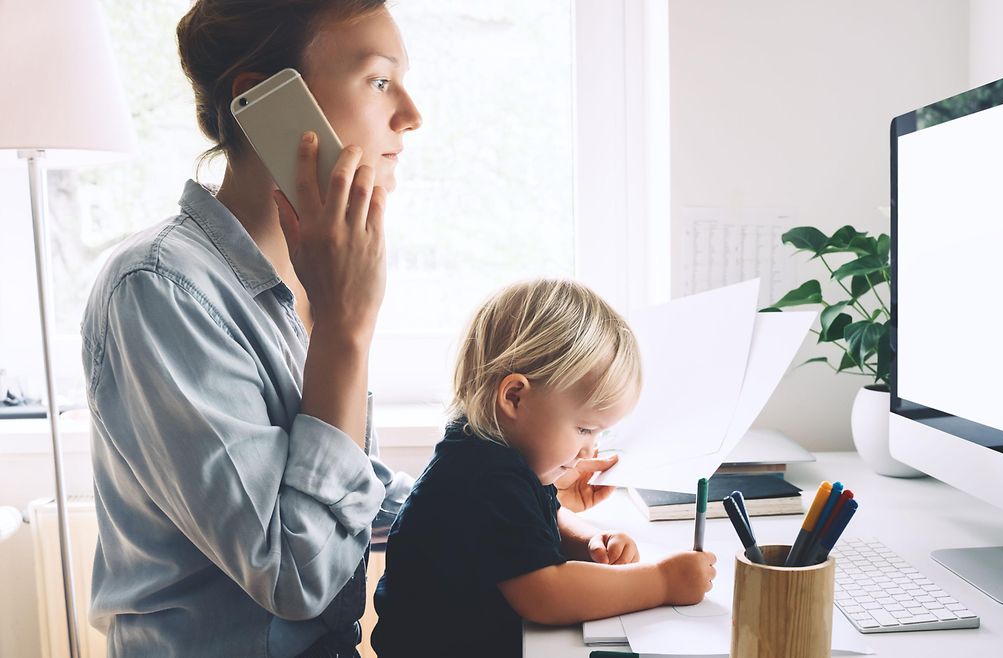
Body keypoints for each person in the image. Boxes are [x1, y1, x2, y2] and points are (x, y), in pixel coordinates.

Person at [82, 3, 619, 656]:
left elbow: (346, 492)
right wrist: (344, 328)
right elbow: (295, 575)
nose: (412, 115)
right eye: (378, 80)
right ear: (262, 100)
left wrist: (512, 504)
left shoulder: (311, 274)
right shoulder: (160, 289)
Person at [371, 279, 717, 657]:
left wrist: (588, 541)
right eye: (584, 428)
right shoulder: (483, 477)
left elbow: (546, 515)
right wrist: (663, 581)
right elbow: (546, 594)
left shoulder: (497, 453)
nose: (591, 446)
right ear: (515, 397)